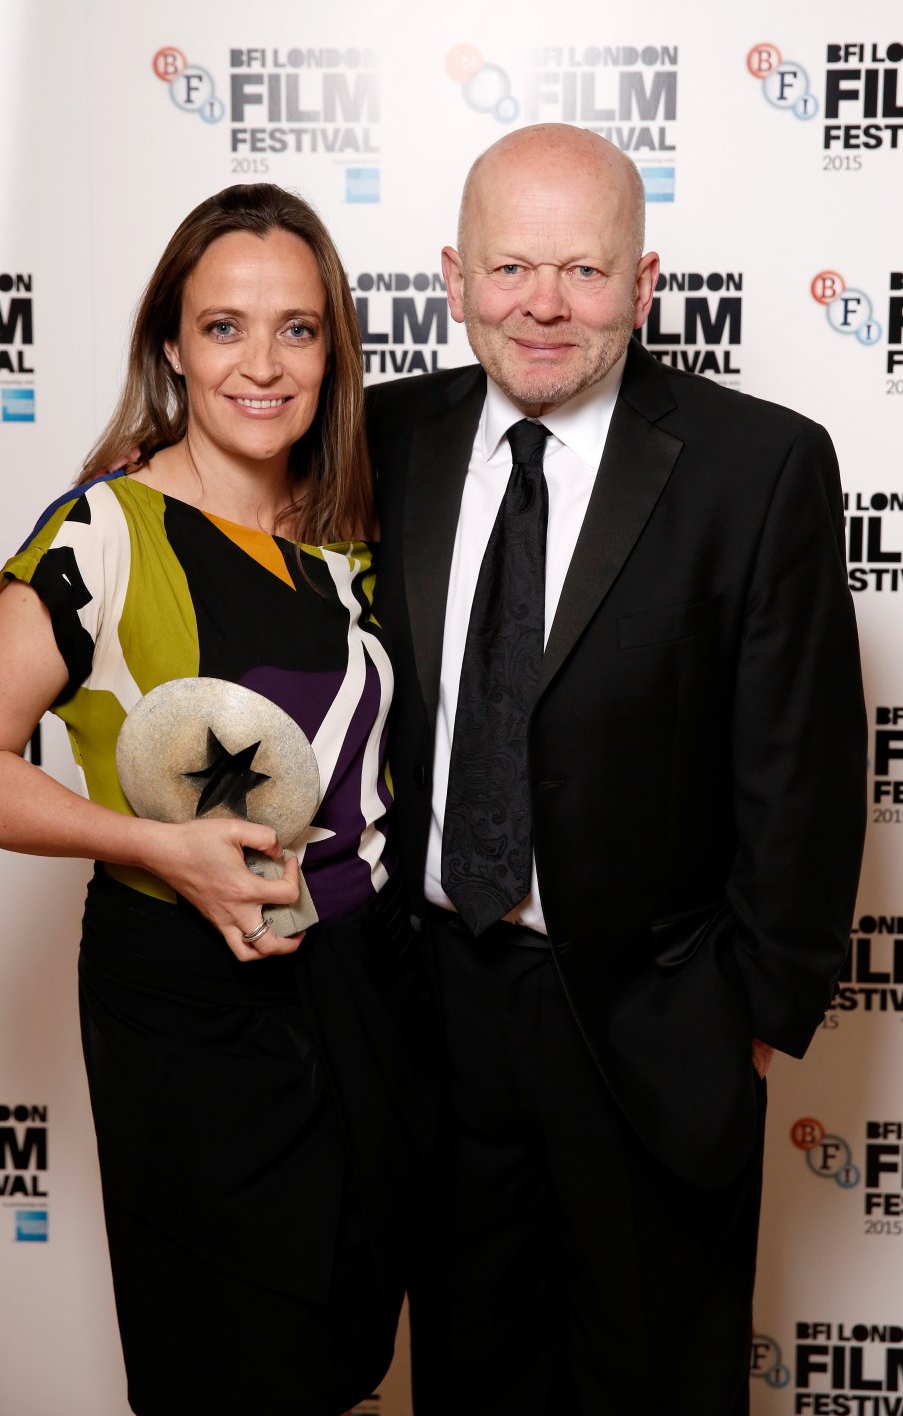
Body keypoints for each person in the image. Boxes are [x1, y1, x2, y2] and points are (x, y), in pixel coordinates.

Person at [0, 183, 434, 1416]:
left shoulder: (356, 533)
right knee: (232, 1369)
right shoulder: (105, 531)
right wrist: (158, 844)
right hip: (194, 1018)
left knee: (348, 1357)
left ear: (334, 351)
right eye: (224, 328)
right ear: (171, 348)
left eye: (298, 329)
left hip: (368, 993)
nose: (263, 364)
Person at [367, 123, 867, 1415]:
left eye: (586, 272)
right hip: (435, 1007)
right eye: (512, 266)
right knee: (471, 1374)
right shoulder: (377, 438)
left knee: (659, 1380)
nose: (544, 304)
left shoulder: (759, 466)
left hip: (657, 1024)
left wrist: (751, 1015)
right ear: (452, 275)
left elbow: (803, 768)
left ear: (644, 287)